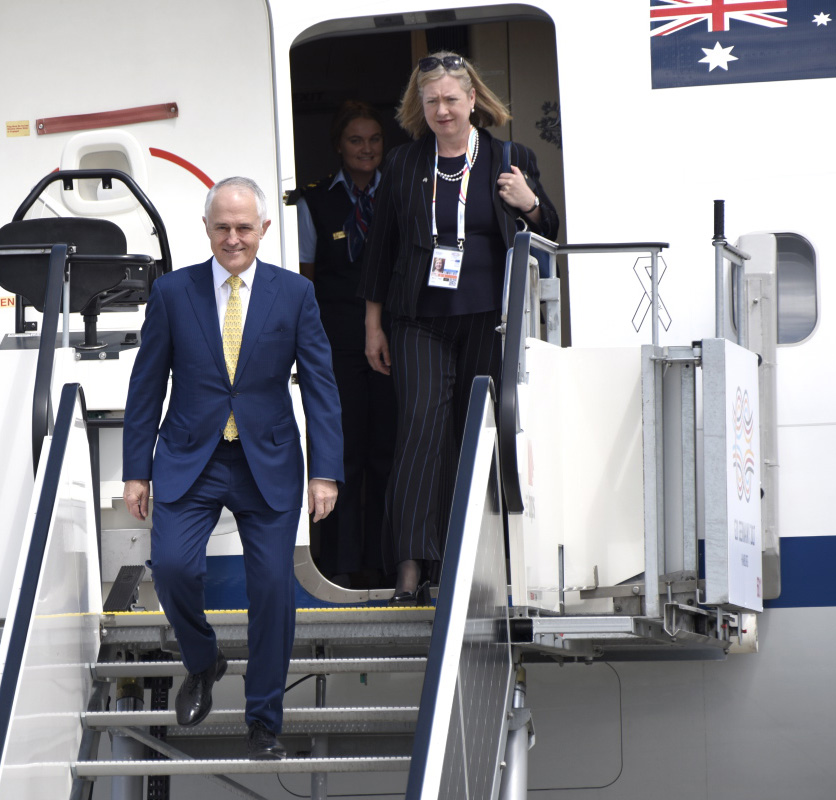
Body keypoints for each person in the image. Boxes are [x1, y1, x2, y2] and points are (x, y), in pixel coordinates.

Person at [123, 176, 343, 760]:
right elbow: (145, 385)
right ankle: (202, 660)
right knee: (171, 569)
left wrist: (326, 471)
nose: (233, 237)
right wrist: (135, 470)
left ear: (264, 229)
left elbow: (320, 386)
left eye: (244, 227)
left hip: (266, 460)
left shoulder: (294, 294)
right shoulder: (173, 293)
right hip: (189, 457)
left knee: (272, 589)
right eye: (222, 227)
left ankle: (263, 722)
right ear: (206, 228)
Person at [358, 52, 559, 604]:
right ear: (418, 107)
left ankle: (463, 563)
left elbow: (552, 230)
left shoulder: (508, 156)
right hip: (417, 319)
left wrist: (531, 203)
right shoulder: (402, 164)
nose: (442, 110)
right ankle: (409, 565)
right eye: (432, 102)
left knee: (475, 437)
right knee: (419, 431)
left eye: (451, 99)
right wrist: (373, 324)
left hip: (487, 322)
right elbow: (381, 249)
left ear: (473, 100)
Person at [296, 101, 395, 589]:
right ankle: (338, 563)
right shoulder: (314, 203)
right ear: (339, 145)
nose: (367, 149)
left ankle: (385, 560)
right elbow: (306, 282)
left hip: (394, 339)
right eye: (356, 140)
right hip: (336, 339)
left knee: (388, 451)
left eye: (374, 139)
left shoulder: (396, 194)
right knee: (343, 451)